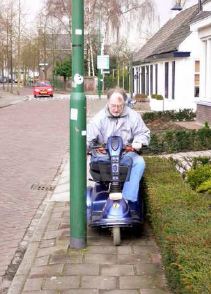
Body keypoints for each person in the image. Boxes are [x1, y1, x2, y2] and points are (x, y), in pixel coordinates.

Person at [87, 87, 150, 203]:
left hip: (125, 155)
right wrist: (86, 146)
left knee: (139, 162)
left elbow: (143, 133)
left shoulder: (133, 116)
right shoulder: (98, 119)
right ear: (108, 102)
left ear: (124, 103)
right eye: (113, 105)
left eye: (119, 106)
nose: (116, 109)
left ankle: (127, 200)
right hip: (104, 156)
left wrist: (139, 141)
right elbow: (88, 139)